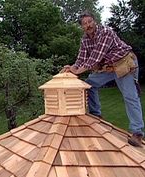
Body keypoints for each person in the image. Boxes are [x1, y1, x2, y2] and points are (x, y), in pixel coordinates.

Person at [61, 11, 144, 147]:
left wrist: (77, 71)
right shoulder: (85, 40)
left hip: (124, 63)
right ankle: (96, 116)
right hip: (109, 67)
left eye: (90, 21)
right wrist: (71, 68)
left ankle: (137, 132)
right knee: (89, 84)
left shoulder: (105, 32)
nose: (88, 25)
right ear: (81, 27)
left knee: (130, 96)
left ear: (95, 21)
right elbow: (81, 59)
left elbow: (95, 58)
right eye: (85, 24)